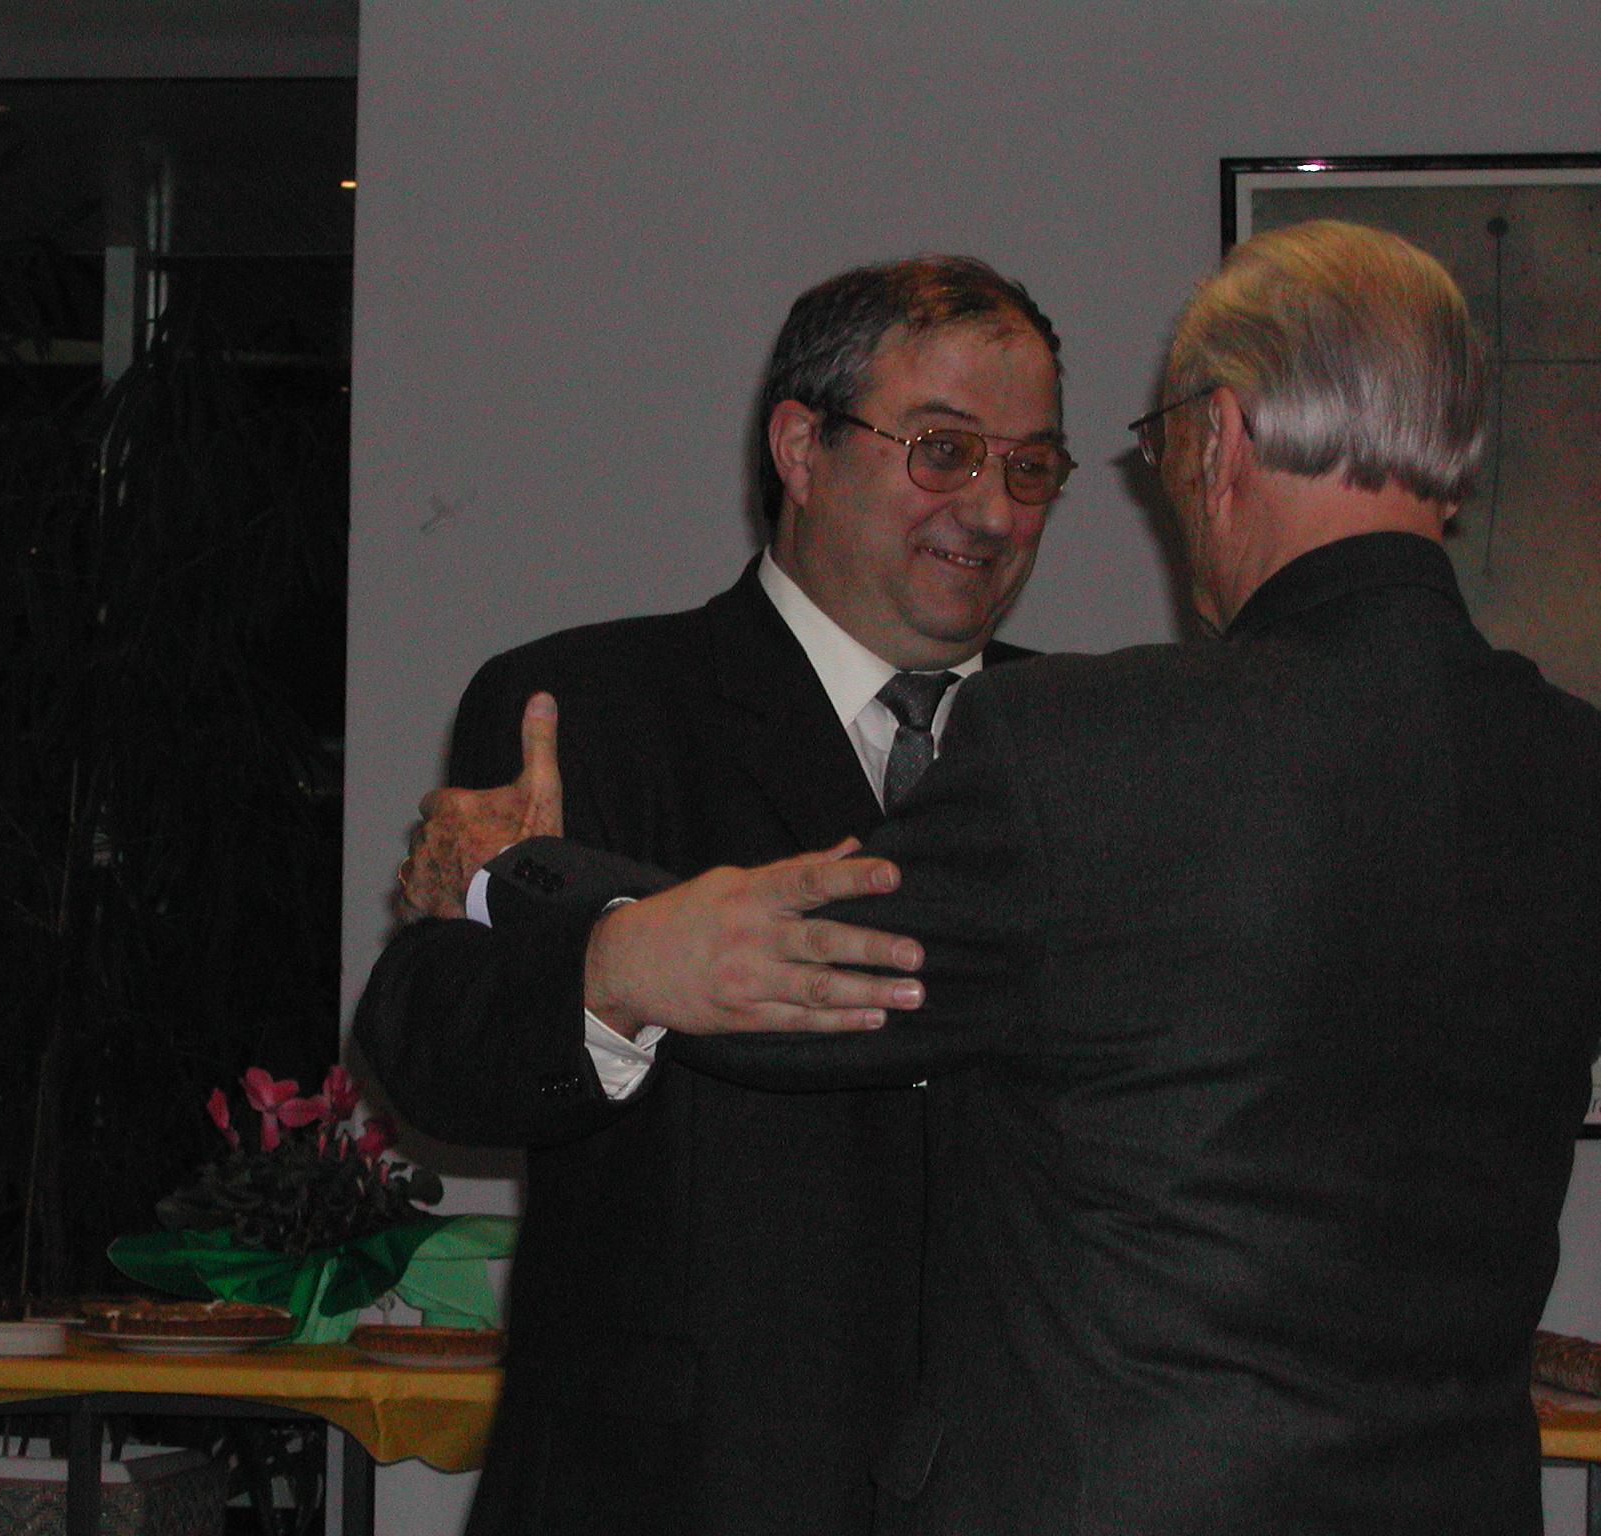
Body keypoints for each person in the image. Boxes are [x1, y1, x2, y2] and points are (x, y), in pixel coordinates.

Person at [557, 220, 1601, 1533]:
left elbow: (790, 989)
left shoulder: (1095, 745)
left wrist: (527, 881)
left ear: (1220, 437)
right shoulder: (1573, 771)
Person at [354, 255, 1074, 1534]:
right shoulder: (586, 709)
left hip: (1012, 1492)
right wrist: (614, 969)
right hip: (678, 1489)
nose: (991, 509)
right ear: (800, 446)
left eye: (1029, 468)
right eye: (944, 451)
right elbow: (432, 1050)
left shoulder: (1087, 744)